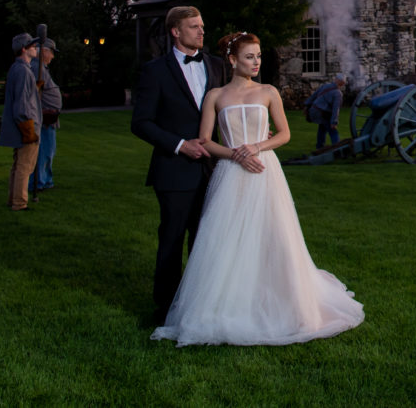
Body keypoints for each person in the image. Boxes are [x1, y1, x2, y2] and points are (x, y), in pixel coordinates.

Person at [152, 31, 364, 346]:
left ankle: (282, 301)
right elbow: (206, 140)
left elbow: (285, 134)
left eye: (259, 56)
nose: (256, 62)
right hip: (229, 174)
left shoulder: (268, 92)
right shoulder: (215, 96)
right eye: (250, 56)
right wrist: (236, 153)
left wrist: (256, 148)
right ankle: (226, 304)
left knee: (273, 235)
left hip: (265, 170)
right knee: (227, 240)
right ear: (233, 59)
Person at [131, 6, 228, 325]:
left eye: (202, 26)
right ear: (175, 31)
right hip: (173, 169)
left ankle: (205, 304)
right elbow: (141, 122)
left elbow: (229, 111)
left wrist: (253, 132)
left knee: (207, 240)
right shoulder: (154, 71)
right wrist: (179, 144)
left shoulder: (216, 66)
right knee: (172, 239)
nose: (201, 32)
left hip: (214, 169)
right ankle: (166, 309)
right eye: (193, 26)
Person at [0, 32, 41, 212]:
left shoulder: (17, 69)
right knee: (25, 166)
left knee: (18, 165)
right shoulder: (23, 71)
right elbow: (22, 104)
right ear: (24, 49)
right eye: (32, 46)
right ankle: (20, 203)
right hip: (26, 125)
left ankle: (13, 199)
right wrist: (28, 128)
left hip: (22, 123)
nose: (35, 48)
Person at [29, 38, 61, 201]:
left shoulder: (41, 69)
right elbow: (33, 93)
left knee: (48, 152)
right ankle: (38, 182)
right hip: (43, 119)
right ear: (45, 52)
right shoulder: (37, 69)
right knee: (43, 152)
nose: (53, 57)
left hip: (49, 119)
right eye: (52, 52)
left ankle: (45, 179)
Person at [307, 73, 347, 150]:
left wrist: (307, 106)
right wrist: (334, 122)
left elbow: (314, 96)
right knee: (333, 131)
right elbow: (336, 109)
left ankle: (319, 147)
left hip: (314, 110)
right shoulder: (338, 93)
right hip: (322, 112)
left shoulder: (325, 86)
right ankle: (337, 149)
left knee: (322, 127)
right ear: (341, 83)